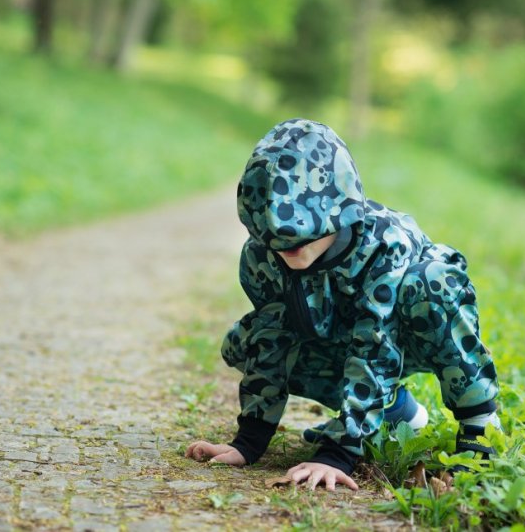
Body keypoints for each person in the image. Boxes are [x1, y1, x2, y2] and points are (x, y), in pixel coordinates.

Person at [185, 118, 500, 490]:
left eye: (299, 234)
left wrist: (338, 454)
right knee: (244, 340)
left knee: (431, 283)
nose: (287, 246)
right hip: (340, 334)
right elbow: (272, 338)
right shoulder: (262, 256)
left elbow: (375, 347)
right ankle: (397, 411)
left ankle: (480, 423)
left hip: (410, 331)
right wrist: (248, 443)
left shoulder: (383, 245)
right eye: (275, 240)